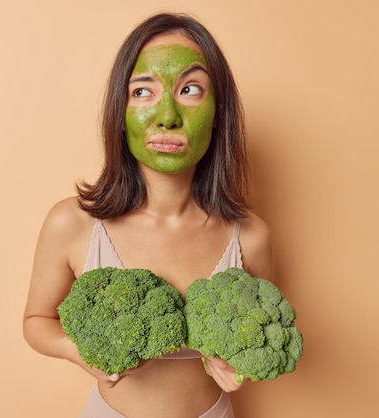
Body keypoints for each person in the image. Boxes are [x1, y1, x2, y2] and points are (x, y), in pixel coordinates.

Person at [23, 12, 273, 418]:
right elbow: (36, 320)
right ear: (120, 114)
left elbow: (255, 335)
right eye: (143, 92)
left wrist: (233, 360)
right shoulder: (73, 223)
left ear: (218, 111)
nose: (167, 115)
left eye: (191, 89)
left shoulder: (250, 237)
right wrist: (79, 351)